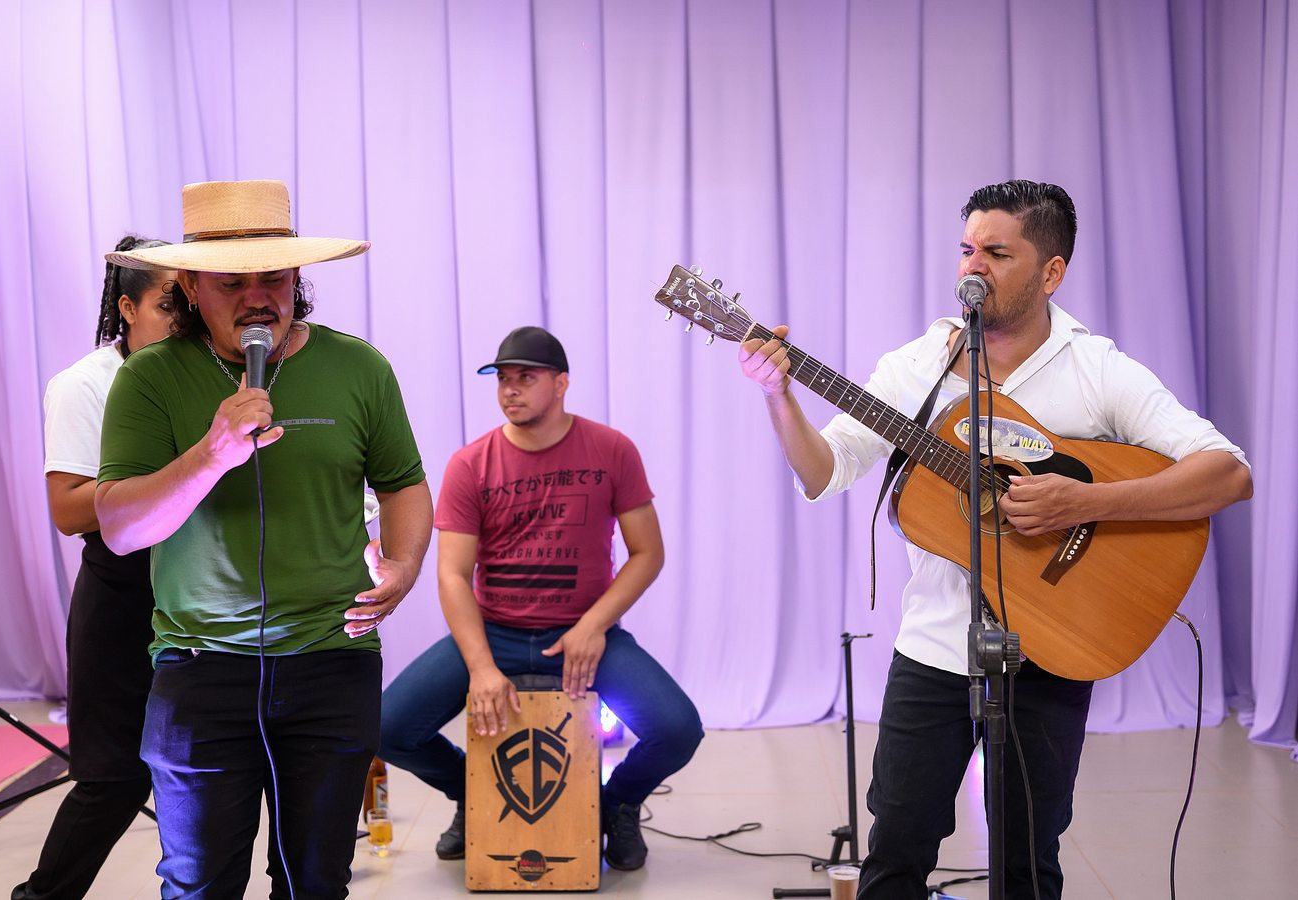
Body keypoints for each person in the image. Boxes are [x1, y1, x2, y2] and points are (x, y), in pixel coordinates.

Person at [737, 180, 1252, 899]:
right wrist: (778, 395)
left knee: (1027, 862)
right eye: (965, 250)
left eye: (997, 254)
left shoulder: (1095, 368)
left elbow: (1227, 473)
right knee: (895, 850)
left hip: (1050, 648)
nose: (971, 267)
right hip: (934, 645)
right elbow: (825, 471)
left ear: (1051, 272)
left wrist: (1085, 500)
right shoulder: (916, 367)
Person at [95, 180, 433, 898]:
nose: (257, 299)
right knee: (198, 885)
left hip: (332, 659)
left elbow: (403, 482)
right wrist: (210, 455)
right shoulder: (149, 379)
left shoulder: (358, 368)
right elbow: (121, 529)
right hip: (200, 667)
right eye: (231, 282)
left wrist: (404, 566)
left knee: (316, 881)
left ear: (297, 276)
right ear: (191, 287)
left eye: (273, 277)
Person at [379, 326, 703, 872]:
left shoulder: (612, 450)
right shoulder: (471, 464)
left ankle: (616, 805)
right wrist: (482, 667)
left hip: (584, 631)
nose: (510, 389)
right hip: (495, 633)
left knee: (678, 729)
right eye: (502, 378)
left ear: (561, 383)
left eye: (525, 377)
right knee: (387, 728)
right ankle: (473, 796)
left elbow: (648, 553)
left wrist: (593, 626)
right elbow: (452, 575)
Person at [14, 236, 174, 900]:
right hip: (123, 594)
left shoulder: (205, 372)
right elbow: (69, 510)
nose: (183, 320)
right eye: (168, 305)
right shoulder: (85, 383)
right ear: (128, 309)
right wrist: (182, 477)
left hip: (198, 590)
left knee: (209, 771)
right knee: (114, 778)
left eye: (191, 305)